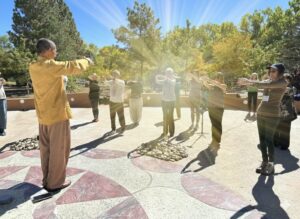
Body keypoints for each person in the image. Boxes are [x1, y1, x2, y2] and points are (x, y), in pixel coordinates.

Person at [29, 38, 92, 192]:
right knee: (59, 150)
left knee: (46, 150)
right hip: (56, 115)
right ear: (50, 50)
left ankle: (47, 179)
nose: (56, 53)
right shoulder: (50, 65)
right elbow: (72, 66)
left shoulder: (33, 66)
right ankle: (55, 183)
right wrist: (87, 60)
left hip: (43, 117)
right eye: (55, 50)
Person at [238, 63, 287, 175]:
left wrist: (250, 81)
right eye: (270, 71)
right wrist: (248, 83)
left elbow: (267, 84)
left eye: (273, 71)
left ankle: (271, 163)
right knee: (262, 140)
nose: (270, 73)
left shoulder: (282, 82)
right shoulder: (268, 81)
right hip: (261, 114)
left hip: (272, 115)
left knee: (269, 140)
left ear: (280, 73)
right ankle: (264, 162)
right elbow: (261, 84)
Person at [274, 73, 297, 150]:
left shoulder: (291, 88)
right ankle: (276, 142)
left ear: (289, 81)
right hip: (278, 111)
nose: (285, 81)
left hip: (287, 112)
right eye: (283, 79)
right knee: (277, 127)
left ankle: (284, 145)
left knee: (285, 129)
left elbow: (288, 93)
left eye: (287, 79)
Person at [206, 72, 227, 147]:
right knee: (213, 124)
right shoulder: (212, 86)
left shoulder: (223, 86)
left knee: (218, 123)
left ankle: (217, 140)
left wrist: (210, 80)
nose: (216, 78)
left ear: (221, 79)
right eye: (216, 77)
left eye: (218, 77)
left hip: (219, 108)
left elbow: (221, 87)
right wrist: (204, 80)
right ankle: (213, 139)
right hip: (211, 107)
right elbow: (207, 85)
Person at [156, 67, 176, 138]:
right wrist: (156, 77)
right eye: (167, 73)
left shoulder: (173, 80)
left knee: (170, 116)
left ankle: (171, 132)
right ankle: (165, 132)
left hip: (171, 101)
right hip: (164, 101)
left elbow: (171, 83)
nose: (168, 74)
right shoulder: (164, 80)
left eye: (169, 73)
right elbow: (158, 82)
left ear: (172, 74)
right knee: (165, 116)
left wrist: (165, 77)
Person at [105, 70, 126, 134]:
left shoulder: (122, 82)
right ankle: (113, 129)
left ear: (118, 75)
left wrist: (114, 79)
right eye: (113, 74)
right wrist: (105, 78)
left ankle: (123, 129)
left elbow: (117, 82)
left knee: (121, 116)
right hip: (112, 102)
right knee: (112, 116)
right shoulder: (111, 82)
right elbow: (105, 82)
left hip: (119, 102)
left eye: (116, 74)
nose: (114, 75)